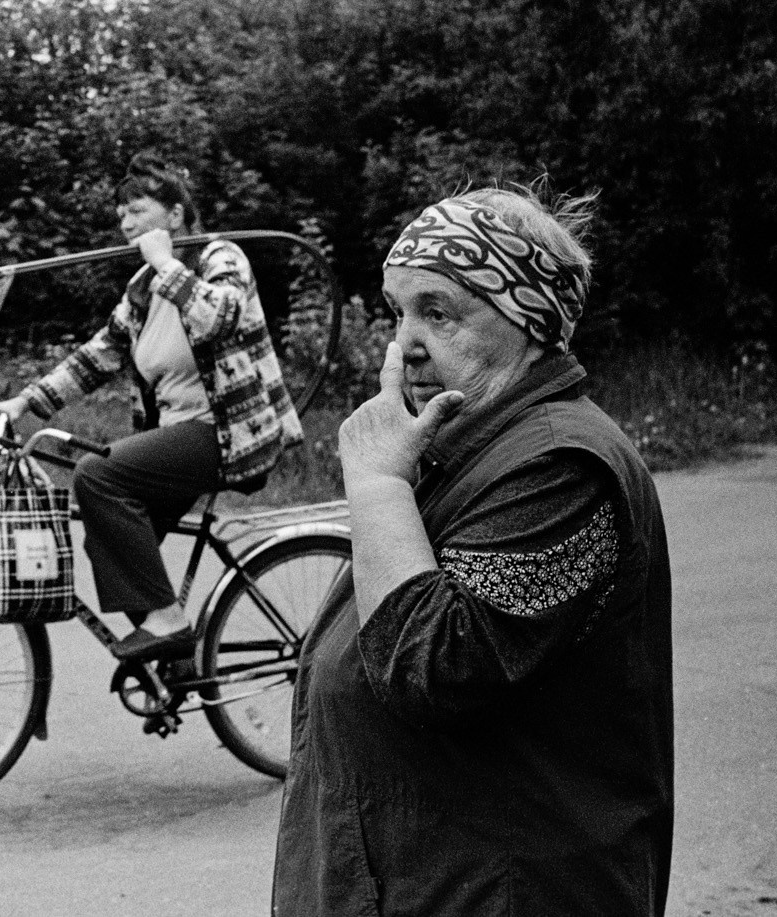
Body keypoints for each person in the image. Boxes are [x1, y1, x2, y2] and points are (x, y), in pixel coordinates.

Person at [273, 185, 672, 915]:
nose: (404, 344)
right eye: (398, 311)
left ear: (528, 320)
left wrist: (377, 484)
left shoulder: (562, 465)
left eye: (438, 312)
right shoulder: (467, 443)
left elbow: (435, 668)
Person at [0, 163, 304, 662]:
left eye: (137, 211)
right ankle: (176, 663)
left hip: (229, 432)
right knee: (112, 544)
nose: (126, 224)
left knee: (98, 476)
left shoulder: (221, 257)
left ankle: (169, 624)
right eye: (121, 215)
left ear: (175, 215)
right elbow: (98, 355)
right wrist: (25, 401)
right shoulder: (143, 286)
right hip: (180, 432)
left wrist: (166, 263)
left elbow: (219, 317)